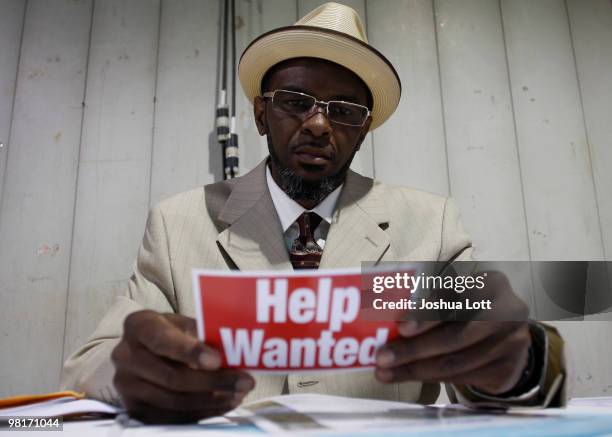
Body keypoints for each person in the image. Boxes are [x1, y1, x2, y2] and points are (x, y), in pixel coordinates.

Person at [61, 2, 565, 424]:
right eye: (296, 102)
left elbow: (484, 347)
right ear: (261, 114)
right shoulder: (177, 223)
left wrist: (517, 363)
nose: (320, 124)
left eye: (345, 111)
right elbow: (90, 363)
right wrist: (130, 374)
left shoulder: (429, 224)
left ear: (364, 130)